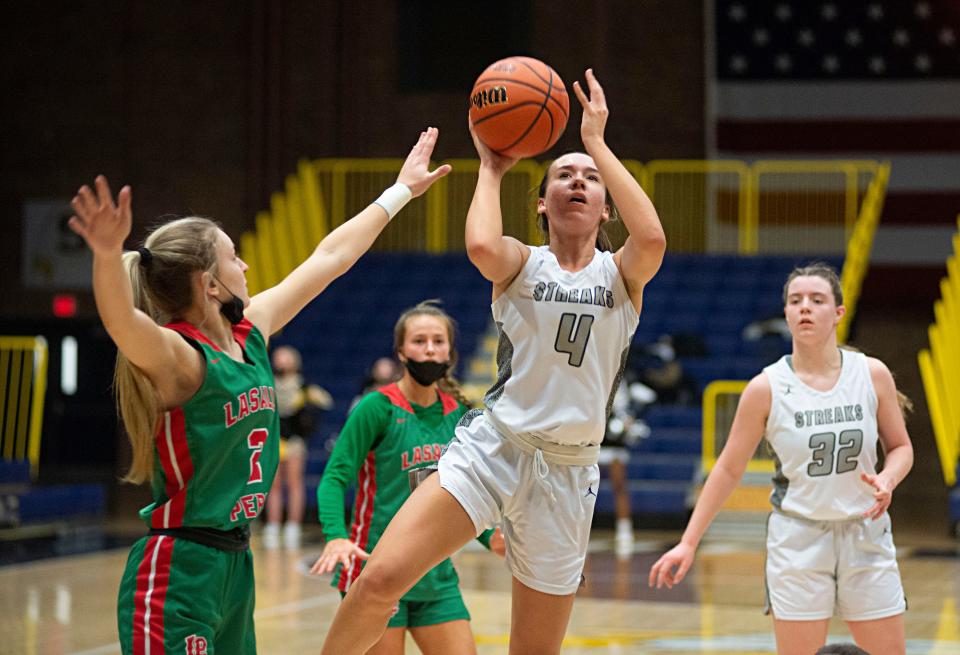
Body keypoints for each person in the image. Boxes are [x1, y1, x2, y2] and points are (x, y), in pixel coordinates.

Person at [319, 68, 666, 655]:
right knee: (377, 580)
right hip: (494, 448)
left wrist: (597, 144)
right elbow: (481, 245)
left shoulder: (622, 275)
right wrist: (492, 166)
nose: (577, 182)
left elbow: (653, 237)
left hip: (568, 470)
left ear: (607, 206)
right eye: (563, 175)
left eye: (589, 179)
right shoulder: (522, 264)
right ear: (542, 203)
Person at [67, 128, 451, 654]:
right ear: (210, 284)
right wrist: (106, 256)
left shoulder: (252, 333)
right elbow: (121, 322)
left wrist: (401, 191)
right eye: (233, 256)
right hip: (179, 570)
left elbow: (331, 257)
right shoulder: (182, 357)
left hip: (233, 565)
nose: (245, 265)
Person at [649, 263, 913, 655]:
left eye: (817, 299)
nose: (805, 307)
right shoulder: (766, 387)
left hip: (864, 531)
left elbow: (901, 448)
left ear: (838, 313)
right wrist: (688, 542)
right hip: (798, 537)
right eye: (795, 300)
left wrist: (889, 478)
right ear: (786, 313)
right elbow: (727, 469)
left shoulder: (871, 374)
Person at [310, 301, 504, 655]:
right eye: (419, 341)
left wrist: (493, 538)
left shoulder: (460, 414)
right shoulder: (376, 408)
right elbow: (335, 477)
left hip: (435, 574)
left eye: (438, 341)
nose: (429, 348)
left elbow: (469, 493)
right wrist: (336, 536)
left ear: (450, 351)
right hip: (374, 568)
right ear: (401, 351)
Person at [263, 345, 333, 549]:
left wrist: (308, 400)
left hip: (294, 440)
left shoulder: (302, 386)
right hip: (273, 439)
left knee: (294, 483)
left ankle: (293, 526)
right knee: (273, 485)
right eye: (278, 358)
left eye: (285, 358)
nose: (281, 362)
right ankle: (273, 526)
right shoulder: (268, 383)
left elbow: (325, 401)